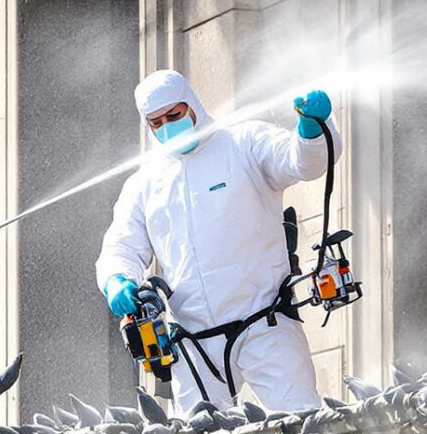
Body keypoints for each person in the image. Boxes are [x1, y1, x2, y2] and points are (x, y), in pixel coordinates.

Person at [96, 69, 334, 412]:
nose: (167, 127)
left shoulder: (243, 143)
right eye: (156, 123)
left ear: (192, 105)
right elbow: (121, 246)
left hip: (265, 321)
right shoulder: (144, 184)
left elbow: (302, 164)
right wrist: (117, 280)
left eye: (174, 116)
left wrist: (311, 131)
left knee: (301, 420)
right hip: (194, 340)